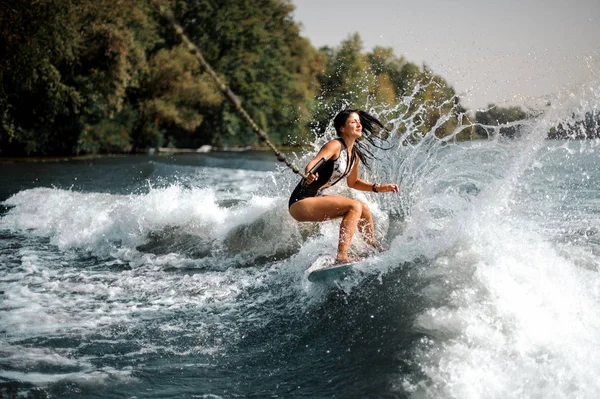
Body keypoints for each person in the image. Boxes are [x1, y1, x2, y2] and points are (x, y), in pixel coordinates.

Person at [288, 108, 398, 264]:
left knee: (363, 207)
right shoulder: (335, 145)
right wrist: (310, 172)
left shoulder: (354, 154)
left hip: (315, 198)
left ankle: (372, 248)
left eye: (359, 122)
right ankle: (341, 257)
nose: (359, 125)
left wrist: (378, 187)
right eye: (353, 122)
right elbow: (315, 162)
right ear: (342, 128)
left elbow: (353, 182)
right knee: (354, 206)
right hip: (300, 202)